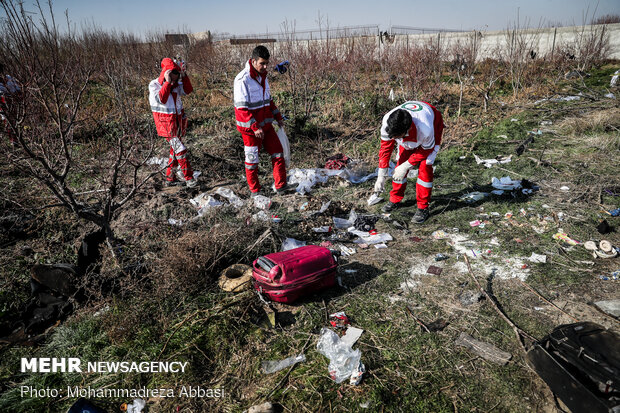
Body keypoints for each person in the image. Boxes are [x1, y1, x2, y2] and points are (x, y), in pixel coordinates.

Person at [371, 101, 444, 223]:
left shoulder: (425, 128)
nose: (394, 139)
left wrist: (407, 166)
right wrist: (381, 175)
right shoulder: (387, 123)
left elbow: (426, 150)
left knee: (425, 166)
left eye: (397, 137)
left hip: (433, 123)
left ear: (407, 129)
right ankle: (395, 199)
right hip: (409, 129)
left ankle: (423, 207)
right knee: (401, 162)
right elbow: (385, 150)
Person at [234, 45, 288, 196]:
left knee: (278, 153)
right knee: (252, 161)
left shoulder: (263, 77)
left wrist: (278, 117)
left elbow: (268, 101)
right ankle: (255, 190)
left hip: (266, 125)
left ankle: (281, 186)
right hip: (250, 130)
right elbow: (241, 109)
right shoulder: (242, 80)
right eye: (262, 63)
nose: (265, 67)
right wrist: (254, 126)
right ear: (253, 61)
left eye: (267, 63)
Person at [149, 57, 197, 188]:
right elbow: (162, 99)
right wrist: (167, 83)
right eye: (173, 74)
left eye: (176, 74)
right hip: (166, 125)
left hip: (177, 123)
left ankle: (170, 178)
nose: (175, 77)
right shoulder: (154, 85)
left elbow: (188, 90)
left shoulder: (176, 86)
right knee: (180, 150)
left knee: (174, 151)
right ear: (166, 72)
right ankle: (189, 178)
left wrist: (184, 75)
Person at [0, 63, 21, 144]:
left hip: (12, 103)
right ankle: (13, 139)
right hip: (4, 104)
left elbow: (18, 91)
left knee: (12, 121)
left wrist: (14, 95)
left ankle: (14, 140)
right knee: (8, 120)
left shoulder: (9, 78)